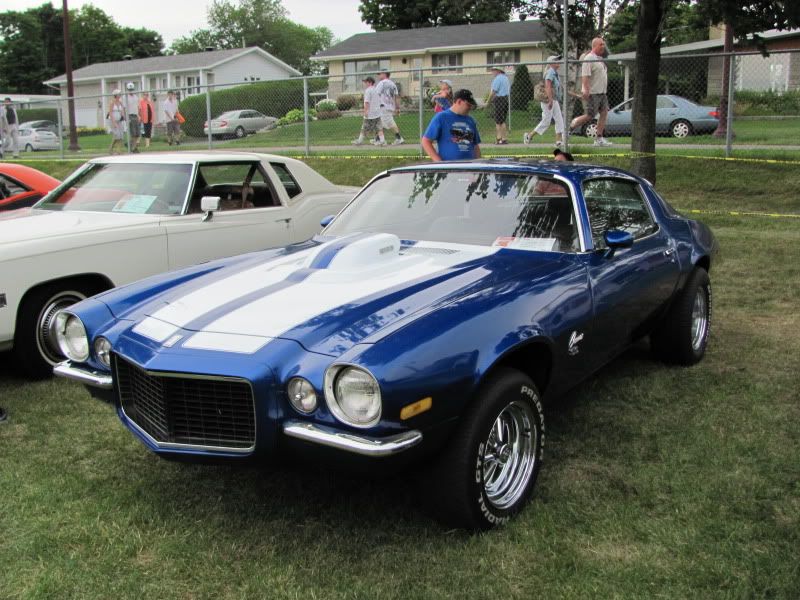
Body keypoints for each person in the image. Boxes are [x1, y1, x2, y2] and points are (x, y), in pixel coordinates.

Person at [570, 38, 612, 147]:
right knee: (590, 115)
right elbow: (585, 76)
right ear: (595, 46)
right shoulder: (589, 58)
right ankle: (571, 127)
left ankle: (599, 138)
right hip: (593, 93)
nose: (603, 46)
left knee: (604, 112)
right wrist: (586, 90)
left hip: (602, 92)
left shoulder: (599, 59)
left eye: (604, 44)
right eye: (601, 44)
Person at [421, 88, 482, 162]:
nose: (469, 108)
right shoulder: (441, 117)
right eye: (468, 105)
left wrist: (478, 163)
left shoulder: (470, 120)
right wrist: (439, 163)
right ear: (459, 101)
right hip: (449, 167)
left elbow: (475, 146)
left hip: (469, 166)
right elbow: (426, 141)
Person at [523, 56, 564, 147]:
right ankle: (529, 136)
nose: (558, 62)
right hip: (548, 100)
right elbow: (547, 87)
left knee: (559, 120)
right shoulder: (550, 73)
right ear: (551, 63)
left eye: (558, 60)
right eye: (556, 60)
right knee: (546, 121)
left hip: (554, 99)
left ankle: (558, 141)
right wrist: (550, 101)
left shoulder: (555, 73)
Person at [373, 70, 404, 145]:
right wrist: (397, 108)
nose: (379, 76)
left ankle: (382, 140)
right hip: (390, 107)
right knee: (387, 123)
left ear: (384, 74)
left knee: (383, 123)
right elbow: (396, 97)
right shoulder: (393, 84)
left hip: (383, 106)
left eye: (380, 74)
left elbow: (376, 95)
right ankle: (378, 139)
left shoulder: (381, 83)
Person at [352, 76, 385, 145]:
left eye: (366, 82)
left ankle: (359, 141)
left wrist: (365, 111)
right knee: (379, 127)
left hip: (370, 113)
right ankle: (382, 141)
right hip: (377, 113)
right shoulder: (376, 90)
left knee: (364, 127)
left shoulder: (368, 90)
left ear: (370, 82)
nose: (365, 84)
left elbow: (367, 102)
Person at [487, 66, 510, 144]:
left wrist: (488, 101)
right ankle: (504, 139)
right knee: (502, 120)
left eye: (493, 70)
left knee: (498, 121)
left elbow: (493, 91)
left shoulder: (497, 79)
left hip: (499, 99)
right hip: (506, 99)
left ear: (498, 71)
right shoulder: (506, 78)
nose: (492, 72)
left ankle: (499, 138)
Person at [106, 90, 125, 155]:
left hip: (119, 120)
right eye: (119, 94)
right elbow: (110, 113)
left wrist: (123, 118)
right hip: (112, 120)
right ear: (115, 95)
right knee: (117, 135)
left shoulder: (120, 102)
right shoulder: (112, 102)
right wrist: (114, 122)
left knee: (121, 135)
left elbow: (122, 111)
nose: (120, 95)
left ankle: (118, 150)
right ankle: (111, 148)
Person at [123, 82, 141, 152]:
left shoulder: (136, 97)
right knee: (133, 133)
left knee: (137, 134)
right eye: (129, 90)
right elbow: (124, 108)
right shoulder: (125, 97)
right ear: (127, 90)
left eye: (132, 89)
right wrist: (125, 117)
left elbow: (138, 107)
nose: (131, 91)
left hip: (135, 115)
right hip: (129, 116)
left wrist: (139, 116)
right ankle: (134, 148)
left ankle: (130, 145)